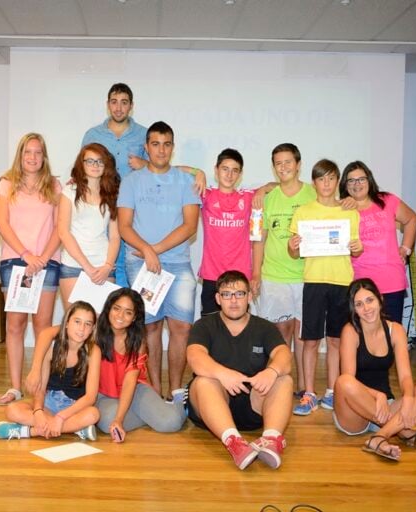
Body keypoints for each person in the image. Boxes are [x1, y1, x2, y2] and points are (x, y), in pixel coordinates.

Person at [82, 83, 205, 286]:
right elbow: (83, 167)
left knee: (130, 264)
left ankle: (130, 312)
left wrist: (196, 172)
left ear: (131, 105)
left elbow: (161, 166)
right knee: (106, 265)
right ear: (107, 105)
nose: (119, 108)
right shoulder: (92, 135)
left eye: (124, 102)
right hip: (102, 208)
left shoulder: (144, 134)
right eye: (114, 102)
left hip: (133, 211)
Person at [117, 121, 200, 398]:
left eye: (166, 144)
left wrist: (156, 249)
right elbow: (124, 226)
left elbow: (190, 226)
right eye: (155, 144)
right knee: (150, 326)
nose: (161, 150)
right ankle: (154, 389)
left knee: (181, 327)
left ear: (172, 148)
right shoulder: (130, 182)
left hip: (177, 263)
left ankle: (175, 389)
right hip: (140, 263)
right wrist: (147, 251)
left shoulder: (186, 181)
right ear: (146, 147)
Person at [187, 271, 293, 470]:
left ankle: (271, 439)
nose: (233, 300)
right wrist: (223, 374)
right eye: (227, 294)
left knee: (283, 378)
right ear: (218, 298)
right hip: (213, 404)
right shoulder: (204, 325)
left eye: (240, 294)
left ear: (250, 297)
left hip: (252, 404)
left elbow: (285, 356)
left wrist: (271, 371)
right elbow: (195, 357)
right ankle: (234, 442)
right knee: (203, 381)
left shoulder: (265, 327)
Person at [334, 278, 416, 461]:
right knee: (343, 382)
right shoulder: (350, 331)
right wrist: (378, 395)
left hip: (386, 408)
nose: (367, 308)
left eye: (370, 300)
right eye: (359, 304)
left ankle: (380, 437)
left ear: (380, 300)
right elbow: (348, 378)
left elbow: (405, 376)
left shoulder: (396, 330)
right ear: (354, 309)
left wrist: (409, 397)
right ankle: (405, 433)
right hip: (354, 412)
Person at [288, 159, 362, 415]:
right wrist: (293, 245)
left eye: (331, 178)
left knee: (335, 340)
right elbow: (294, 251)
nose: (327, 183)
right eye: (322, 179)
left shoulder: (349, 211)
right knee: (310, 340)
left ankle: (331, 391)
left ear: (337, 180)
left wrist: (357, 247)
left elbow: (357, 247)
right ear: (314, 182)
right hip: (314, 282)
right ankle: (309, 393)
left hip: (342, 282)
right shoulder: (304, 212)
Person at [0, 133, 61, 405]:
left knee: (42, 326)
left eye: (38, 153)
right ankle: (14, 386)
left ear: (44, 156)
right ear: (20, 155)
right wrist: (26, 255)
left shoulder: (54, 185)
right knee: (14, 326)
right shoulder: (6, 183)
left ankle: (40, 383)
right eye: (27, 152)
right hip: (15, 262)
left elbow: (60, 227)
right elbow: (2, 222)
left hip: (47, 263)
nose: (32, 158)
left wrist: (42, 258)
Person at [252, 143, 315, 398]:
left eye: (288, 162)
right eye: (278, 163)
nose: (284, 167)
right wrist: (255, 273)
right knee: (280, 334)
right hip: (274, 277)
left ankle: (302, 388)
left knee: (303, 335)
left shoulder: (314, 195)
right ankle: (282, 384)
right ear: (273, 167)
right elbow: (258, 239)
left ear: (298, 164)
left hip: (308, 276)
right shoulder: (266, 199)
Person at [0, 301, 101, 441]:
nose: (82, 328)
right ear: (66, 323)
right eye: (77, 321)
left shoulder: (93, 351)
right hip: (49, 402)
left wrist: (61, 417)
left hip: (74, 407)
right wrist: (38, 411)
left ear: (92, 328)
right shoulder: (52, 348)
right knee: (12, 410)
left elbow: (90, 397)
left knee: (93, 414)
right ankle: (74, 429)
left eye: (88, 324)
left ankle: (30, 431)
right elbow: (41, 389)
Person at [96, 288, 186, 440]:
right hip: (104, 395)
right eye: (116, 308)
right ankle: (149, 414)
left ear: (134, 317)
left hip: (136, 389)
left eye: (128, 312)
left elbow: (130, 382)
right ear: (108, 309)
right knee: (106, 424)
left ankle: (180, 403)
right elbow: (52, 332)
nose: (120, 316)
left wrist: (119, 420)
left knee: (171, 422)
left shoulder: (138, 341)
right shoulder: (95, 333)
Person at [339, 161, 416, 322]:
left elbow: (411, 219)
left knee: (391, 333)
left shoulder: (387, 200)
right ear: (345, 185)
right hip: (359, 283)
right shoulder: (340, 209)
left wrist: (405, 248)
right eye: (351, 180)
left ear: (369, 180)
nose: (357, 184)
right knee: (363, 337)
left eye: (361, 179)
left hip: (391, 280)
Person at [57, 143, 119, 307]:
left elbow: (115, 236)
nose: (95, 165)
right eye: (90, 161)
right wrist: (87, 268)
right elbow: (63, 232)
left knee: (100, 327)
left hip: (103, 268)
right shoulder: (69, 191)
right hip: (73, 266)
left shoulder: (112, 194)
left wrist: (107, 266)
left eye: (100, 161)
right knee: (75, 325)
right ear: (81, 164)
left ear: (106, 165)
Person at [199, 148, 259, 315]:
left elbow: (278, 186)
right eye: (225, 169)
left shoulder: (247, 197)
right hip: (212, 276)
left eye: (235, 170)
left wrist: (262, 190)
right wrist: (197, 172)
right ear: (216, 170)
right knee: (210, 331)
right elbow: (171, 171)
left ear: (240, 174)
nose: (229, 175)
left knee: (238, 331)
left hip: (240, 278)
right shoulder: (205, 194)